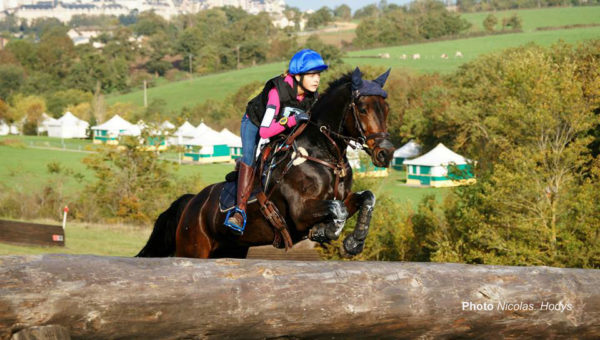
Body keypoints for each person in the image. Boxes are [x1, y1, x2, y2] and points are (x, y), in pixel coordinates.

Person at [224, 49, 328, 234]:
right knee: (250, 157)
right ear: (297, 76)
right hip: (255, 124)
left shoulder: (312, 96)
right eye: (311, 75)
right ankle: (239, 211)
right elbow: (265, 131)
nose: (317, 79)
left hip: (281, 127)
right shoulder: (276, 92)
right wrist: (293, 121)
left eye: (318, 74)